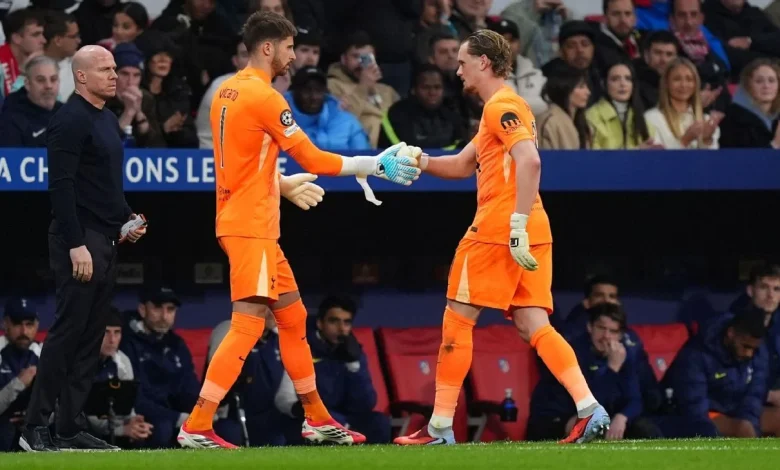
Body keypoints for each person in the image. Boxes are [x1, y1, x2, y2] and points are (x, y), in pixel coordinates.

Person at [176, 11, 420, 450]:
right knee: (248, 327)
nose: (293, 56)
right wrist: (373, 163)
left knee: (293, 317)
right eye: (289, 47)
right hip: (251, 227)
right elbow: (314, 159)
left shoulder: (226, 91)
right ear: (268, 47)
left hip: (249, 220)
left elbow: (238, 161)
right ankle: (197, 423)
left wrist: (278, 184)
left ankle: (317, 418)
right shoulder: (266, 98)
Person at [393, 29, 610, 446]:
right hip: (534, 227)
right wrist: (416, 158)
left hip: (499, 228)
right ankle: (589, 409)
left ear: (484, 63)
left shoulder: (502, 106)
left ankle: (439, 428)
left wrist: (514, 225)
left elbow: (530, 161)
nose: (457, 70)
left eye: (462, 63)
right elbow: (460, 166)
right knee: (534, 325)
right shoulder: (503, 108)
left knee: (458, 318)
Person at [19, 45, 147, 453]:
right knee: (68, 333)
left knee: (91, 337)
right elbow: (61, 187)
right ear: (81, 77)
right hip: (79, 239)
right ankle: (34, 427)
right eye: (106, 70)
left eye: (115, 69)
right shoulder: (69, 119)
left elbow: (106, 184)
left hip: (106, 238)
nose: (115, 76)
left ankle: (71, 425)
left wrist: (128, 218)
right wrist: (76, 244)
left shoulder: (107, 118)